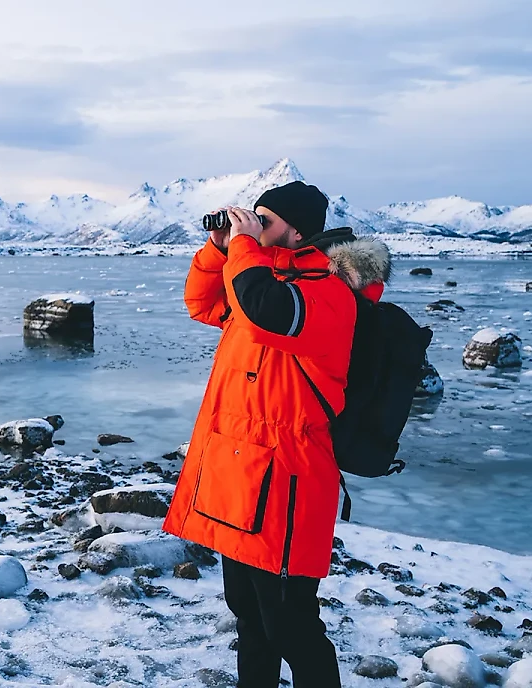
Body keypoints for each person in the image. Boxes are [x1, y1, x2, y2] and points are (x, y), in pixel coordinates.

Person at [163, 180, 389, 688]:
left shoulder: (329, 293)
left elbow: (269, 312)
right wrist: (217, 249)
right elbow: (203, 305)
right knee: (247, 615)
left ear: (298, 230)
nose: (253, 227)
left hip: (288, 480)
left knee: (290, 627)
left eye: (264, 220)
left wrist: (244, 249)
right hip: (238, 473)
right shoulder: (263, 279)